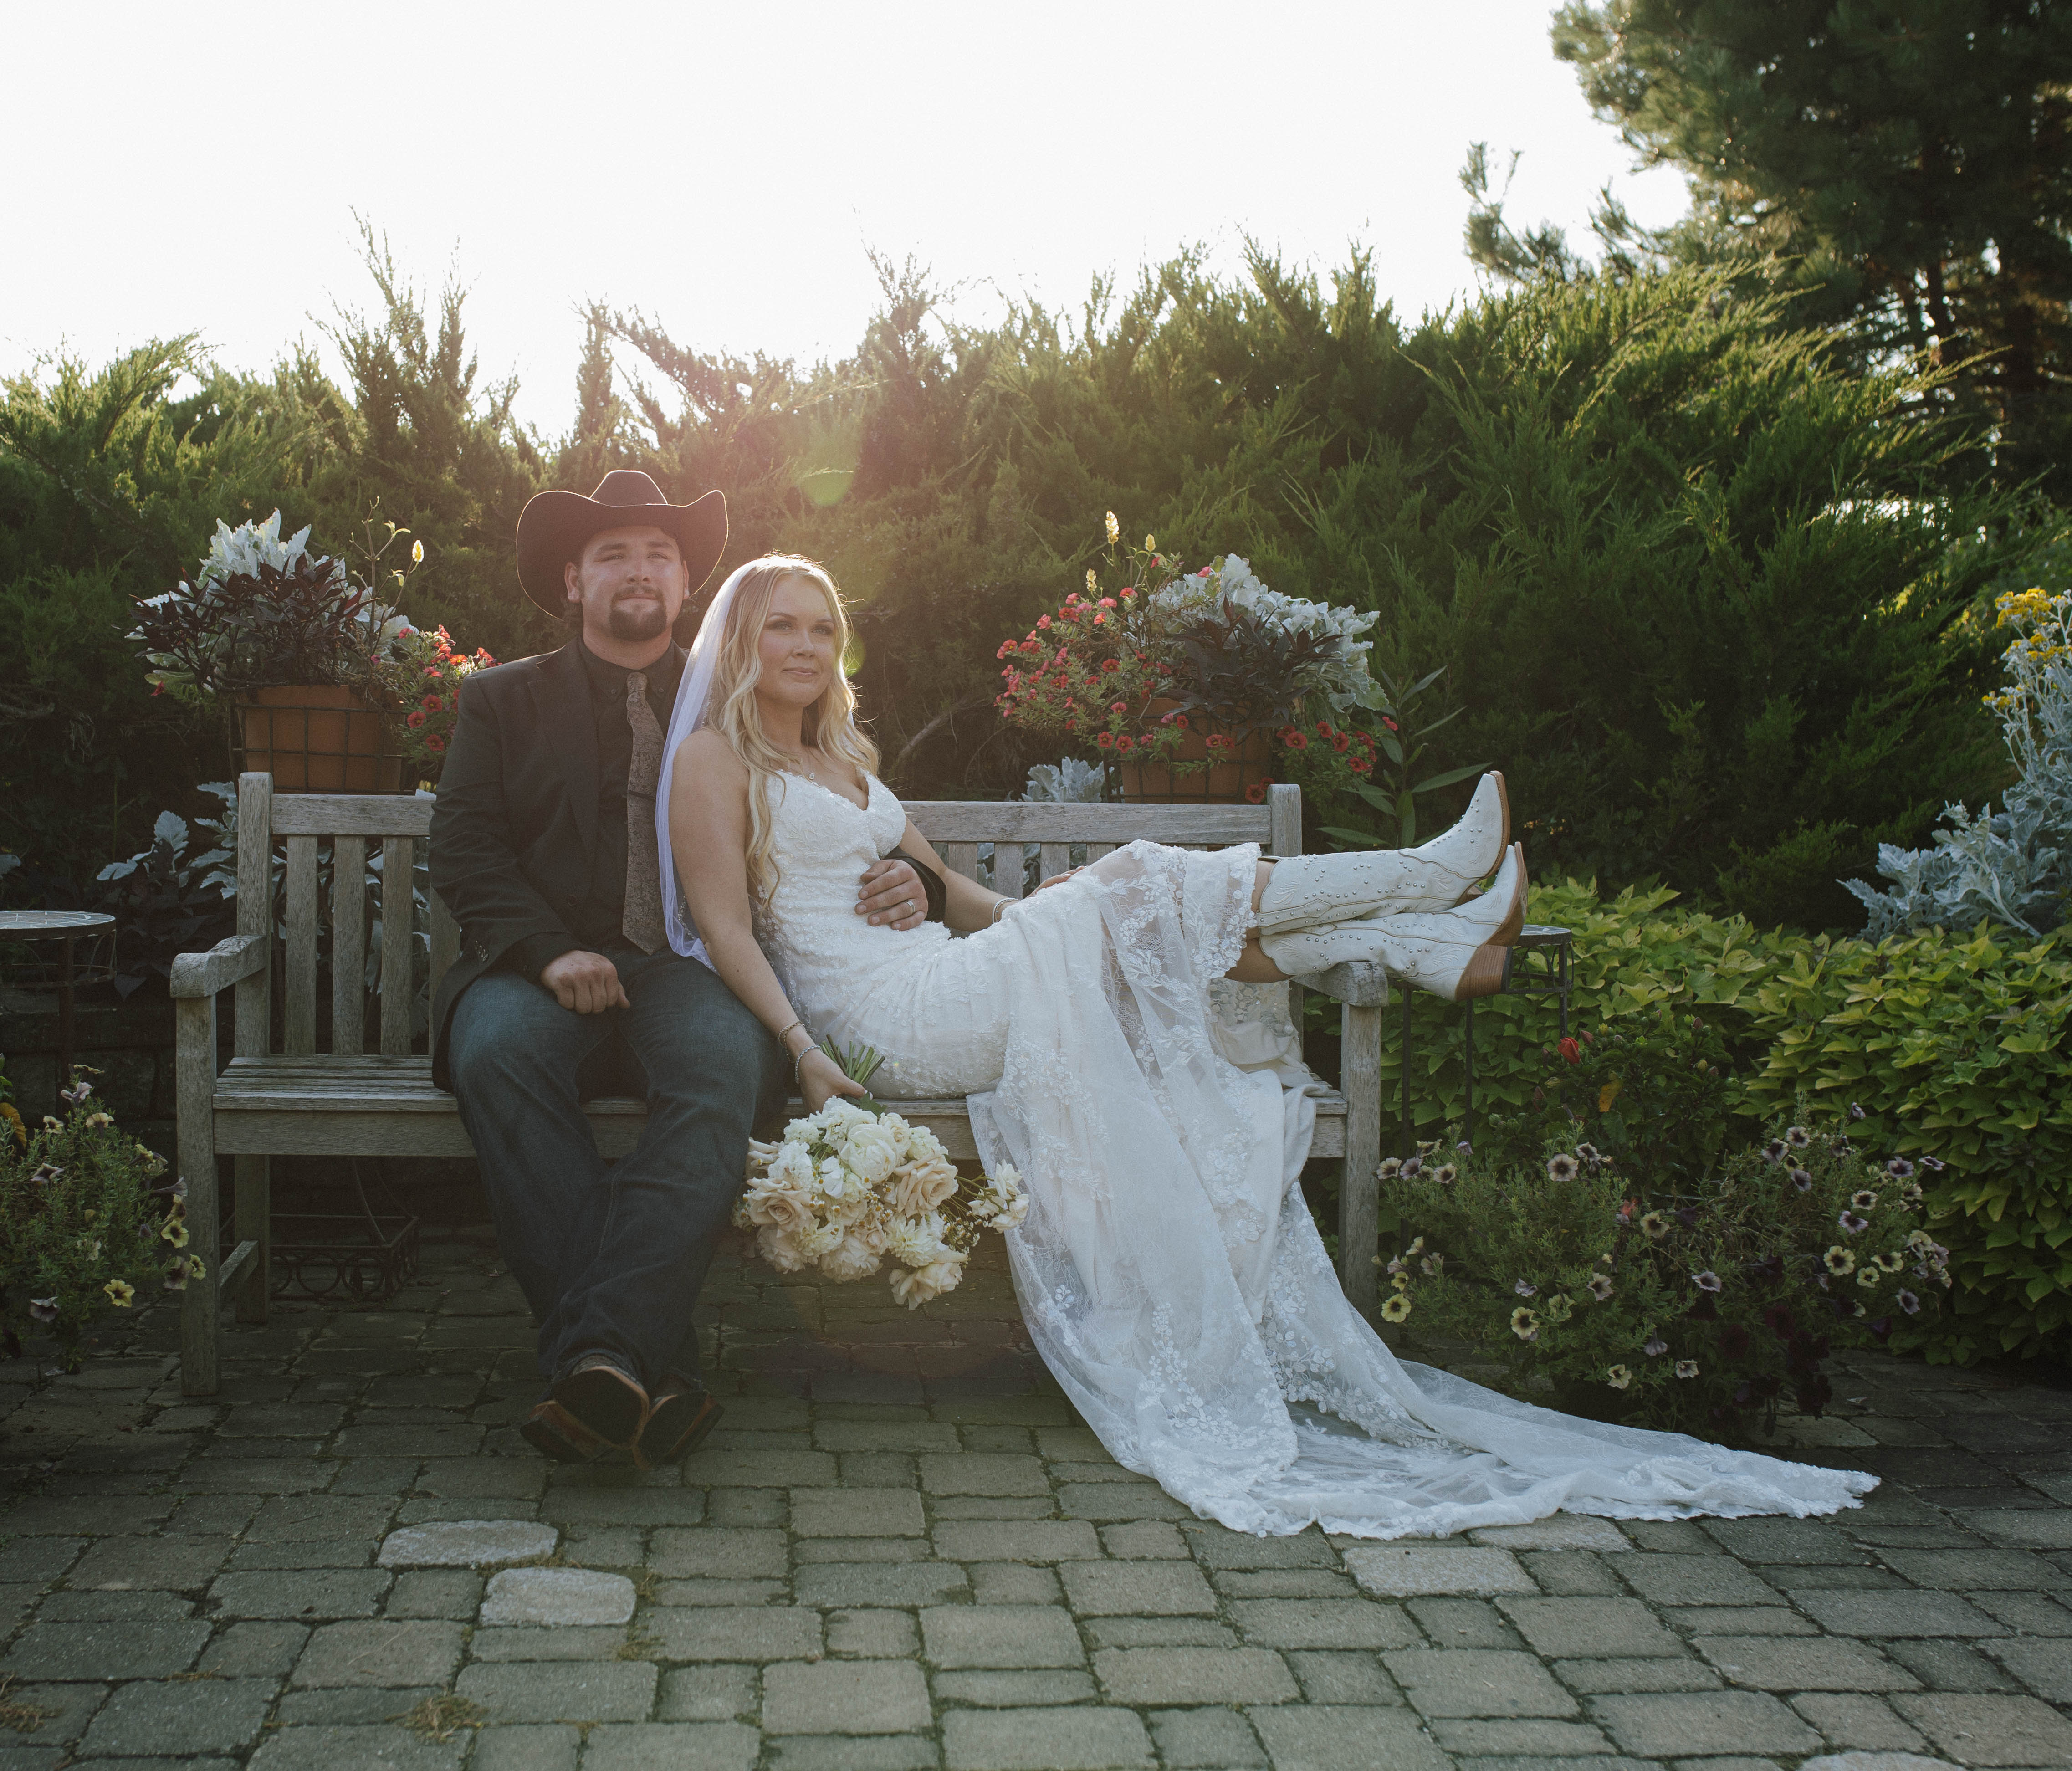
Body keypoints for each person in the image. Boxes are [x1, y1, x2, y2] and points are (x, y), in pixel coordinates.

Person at [661, 553, 1877, 1538]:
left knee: (1139, 912)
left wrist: (1009, 909)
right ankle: (1424, 894)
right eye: (781, 627)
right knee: (1136, 889)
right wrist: (807, 1054)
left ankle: (1424, 939)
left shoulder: (851, 760)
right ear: (740, 643)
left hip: (955, 969)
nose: (807, 648)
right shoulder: (720, 761)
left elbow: (965, 904)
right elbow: (722, 924)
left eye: (822, 628)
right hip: (889, 1022)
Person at [429, 476, 945, 1469]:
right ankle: (641, 1361)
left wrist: (913, 874)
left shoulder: (737, 695)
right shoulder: (501, 699)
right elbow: (466, 851)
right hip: (537, 967)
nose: (640, 570)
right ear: (574, 580)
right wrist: (547, 950)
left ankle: (602, 1358)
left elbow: (852, 802)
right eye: (615, 554)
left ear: (686, 584)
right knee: (493, 1055)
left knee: (722, 1068)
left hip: (689, 965)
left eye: (660, 554)